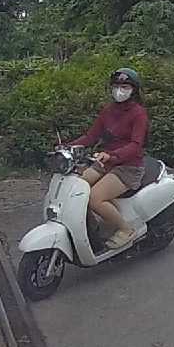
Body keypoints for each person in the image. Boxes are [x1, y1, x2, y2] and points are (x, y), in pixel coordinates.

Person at [66, 68, 149, 249]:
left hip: (128, 166)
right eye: (116, 86)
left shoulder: (138, 113)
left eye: (125, 87)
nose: (120, 91)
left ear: (134, 90)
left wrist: (112, 155)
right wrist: (68, 147)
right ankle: (93, 227)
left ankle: (126, 229)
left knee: (94, 198)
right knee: (77, 187)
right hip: (105, 162)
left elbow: (136, 145)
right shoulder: (108, 111)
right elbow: (91, 136)